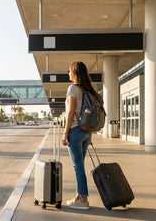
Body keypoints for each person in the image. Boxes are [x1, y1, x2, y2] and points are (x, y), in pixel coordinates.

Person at [61, 61, 98, 210]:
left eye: (69, 71)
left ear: (75, 73)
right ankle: (78, 196)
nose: (68, 73)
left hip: (75, 131)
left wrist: (65, 134)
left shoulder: (73, 89)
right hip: (86, 133)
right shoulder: (87, 89)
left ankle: (83, 199)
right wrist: (90, 134)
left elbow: (70, 113)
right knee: (80, 166)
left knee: (78, 167)